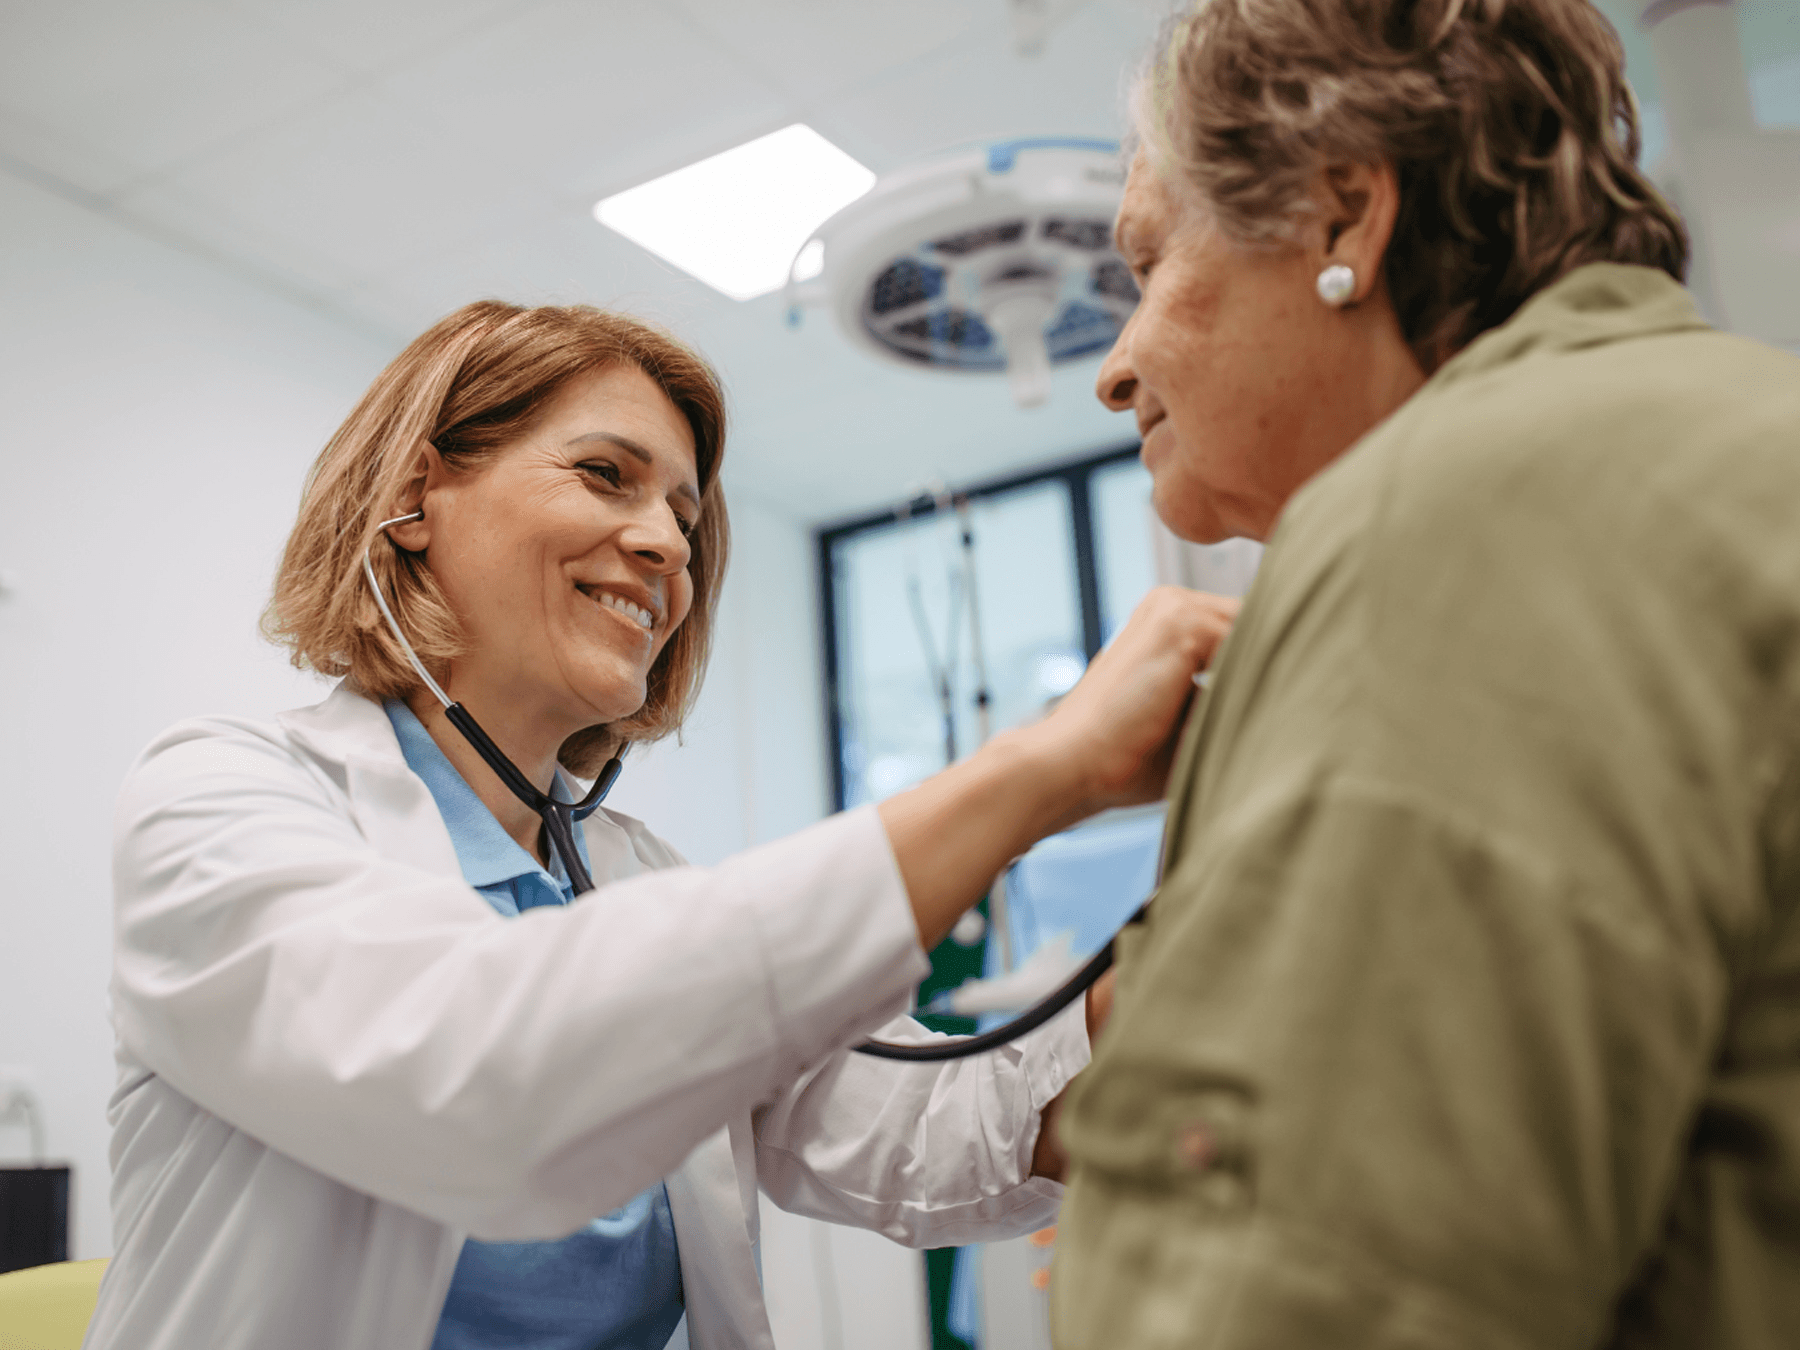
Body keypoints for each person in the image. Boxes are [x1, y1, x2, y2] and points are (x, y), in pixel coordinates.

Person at [86, 303, 1234, 1350]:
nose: (668, 546)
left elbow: (926, 1129)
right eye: (605, 476)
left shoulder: (633, 883)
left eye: (683, 515)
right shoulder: (224, 798)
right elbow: (483, 1083)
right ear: (416, 497)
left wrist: (1214, 978)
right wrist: (1041, 774)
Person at [1053, 0, 1800, 1346]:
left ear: (1344, 217)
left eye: (1150, 265)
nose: (1116, 371)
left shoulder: (1465, 518)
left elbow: (1308, 1304)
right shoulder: (1733, 434)